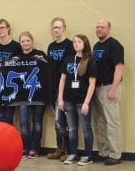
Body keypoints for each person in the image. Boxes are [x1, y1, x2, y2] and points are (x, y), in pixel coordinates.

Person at [58, 34, 96, 165]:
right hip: (68, 100)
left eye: (79, 42)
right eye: (74, 42)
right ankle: (73, 153)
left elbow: (92, 84)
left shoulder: (90, 60)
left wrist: (86, 103)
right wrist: (60, 99)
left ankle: (88, 156)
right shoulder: (69, 59)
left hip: (82, 100)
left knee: (86, 129)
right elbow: (62, 80)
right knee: (72, 129)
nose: (76, 44)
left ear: (85, 43)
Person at [92, 19, 124, 165]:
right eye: (97, 27)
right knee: (100, 121)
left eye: (102, 27)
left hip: (109, 87)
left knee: (112, 121)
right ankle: (104, 151)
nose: (99, 29)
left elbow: (119, 68)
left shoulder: (114, 45)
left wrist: (113, 89)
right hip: (97, 88)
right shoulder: (96, 45)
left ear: (109, 29)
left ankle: (115, 154)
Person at [46, 17, 74, 162]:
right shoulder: (51, 46)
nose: (56, 30)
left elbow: (70, 67)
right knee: (57, 122)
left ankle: (67, 151)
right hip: (53, 87)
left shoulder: (69, 45)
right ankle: (59, 149)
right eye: (54, 27)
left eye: (58, 27)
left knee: (65, 122)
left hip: (64, 88)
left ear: (64, 28)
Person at [17, 31, 47, 158]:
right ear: (20, 43)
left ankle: (35, 148)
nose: (25, 43)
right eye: (23, 41)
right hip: (23, 95)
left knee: (37, 122)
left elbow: (47, 70)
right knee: (24, 123)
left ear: (32, 41)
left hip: (39, 94)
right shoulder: (17, 57)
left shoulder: (40, 54)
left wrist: (43, 61)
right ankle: (26, 147)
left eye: (27, 41)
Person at [0, 19, 21, 124]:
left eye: (2, 28)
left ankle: (7, 140)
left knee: (8, 117)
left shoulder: (16, 46)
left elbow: (21, 66)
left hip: (10, 86)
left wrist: (17, 61)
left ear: (8, 29)